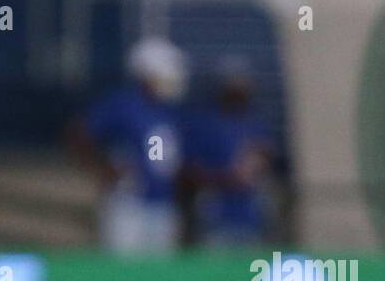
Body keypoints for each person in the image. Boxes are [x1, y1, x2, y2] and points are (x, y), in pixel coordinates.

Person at [74, 37, 188, 254]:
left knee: (160, 276)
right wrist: (102, 167)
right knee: (125, 271)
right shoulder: (123, 104)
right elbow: (80, 133)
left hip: (163, 203)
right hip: (128, 203)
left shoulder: (170, 111)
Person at [182, 59, 275, 248]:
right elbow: (187, 170)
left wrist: (259, 162)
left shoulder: (254, 124)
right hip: (216, 212)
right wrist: (223, 178)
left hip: (250, 213)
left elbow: (266, 158)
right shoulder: (204, 123)